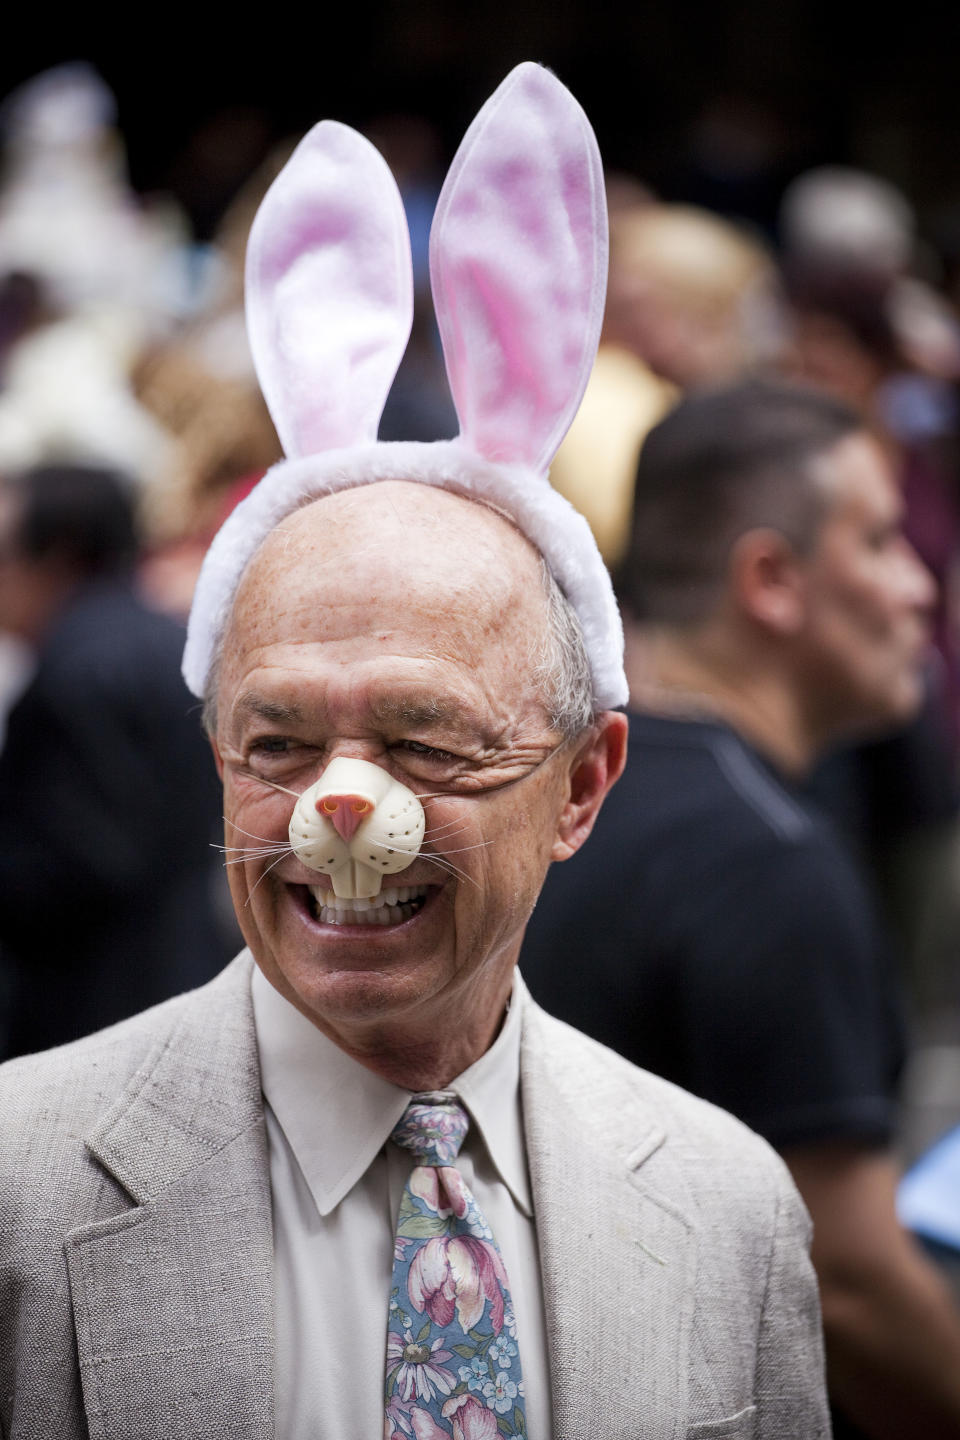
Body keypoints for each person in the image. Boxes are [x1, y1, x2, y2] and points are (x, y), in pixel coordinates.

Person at [0, 67, 829, 1438]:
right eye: (276, 741)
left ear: (583, 781)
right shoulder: (22, 1195)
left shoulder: (728, 1210)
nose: (336, 803)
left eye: (423, 739)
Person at [521, 377, 960, 1439]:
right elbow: (845, 1283)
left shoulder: (542, 787)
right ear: (770, 579)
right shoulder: (767, 864)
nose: (917, 587)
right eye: (878, 540)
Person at [0, 463, 237, 1059]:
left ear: (59, 554)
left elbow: (78, 861)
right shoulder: (166, 641)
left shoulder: (79, 670)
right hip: (186, 968)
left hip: (98, 1005)